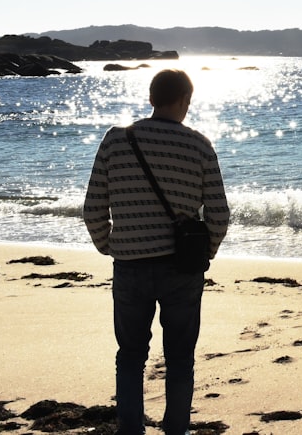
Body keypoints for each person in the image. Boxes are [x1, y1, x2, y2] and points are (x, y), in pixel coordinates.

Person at [83, 69, 230, 435]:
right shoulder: (199, 145)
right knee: (180, 359)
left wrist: (110, 245)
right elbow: (219, 213)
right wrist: (204, 254)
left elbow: (92, 208)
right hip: (182, 270)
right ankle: (175, 429)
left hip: (130, 267)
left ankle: (131, 430)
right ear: (184, 100)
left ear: (151, 99)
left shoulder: (116, 141)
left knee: (130, 357)